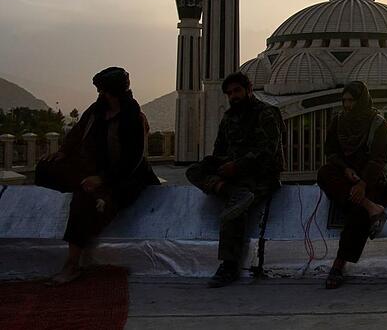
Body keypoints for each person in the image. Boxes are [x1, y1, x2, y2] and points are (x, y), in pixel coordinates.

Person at [35, 67, 160, 285]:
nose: (100, 94)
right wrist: (63, 152)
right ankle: (89, 186)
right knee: (46, 168)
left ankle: (72, 264)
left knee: (83, 199)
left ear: (113, 92)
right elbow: (78, 132)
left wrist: (103, 179)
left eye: (103, 90)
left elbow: (132, 160)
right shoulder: (97, 111)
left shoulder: (132, 117)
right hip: (92, 170)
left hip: (124, 177)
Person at [186, 72, 283, 288]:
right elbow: (219, 150)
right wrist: (220, 168)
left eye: (237, 91)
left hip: (260, 175)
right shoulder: (229, 117)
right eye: (229, 93)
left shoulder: (266, 113)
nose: (233, 96)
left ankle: (229, 265)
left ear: (249, 89)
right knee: (195, 170)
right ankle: (231, 191)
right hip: (233, 175)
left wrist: (237, 166)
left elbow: (267, 151)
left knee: (234, 210)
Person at [316, 81, 387, 289]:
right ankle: (371, 207)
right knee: (324, 173)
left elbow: (379, 158)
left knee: (356, 212)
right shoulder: (339, 121)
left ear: (362, 101)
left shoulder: (377, 124)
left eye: (351, 101)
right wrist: (345, 169)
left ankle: (338, 264)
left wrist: (362, 182)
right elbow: (331, 152)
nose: (347, 105)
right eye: (344, 101)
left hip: (372, 178)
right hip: (348, 176)